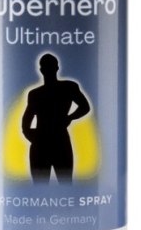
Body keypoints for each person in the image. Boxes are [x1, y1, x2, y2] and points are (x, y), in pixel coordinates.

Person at [21, 53, 91, 183]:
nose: (48, 70)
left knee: (65, 181)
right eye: (46, 67)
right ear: (41, 70)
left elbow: (85, 107)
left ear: (56, 68)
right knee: (41, 184)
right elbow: (27, 119)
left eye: (50, 67)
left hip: (59, 140)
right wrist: (31, 135)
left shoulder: (68, 87)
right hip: (42, 141)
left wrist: (69, 117)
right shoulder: (35, 94)